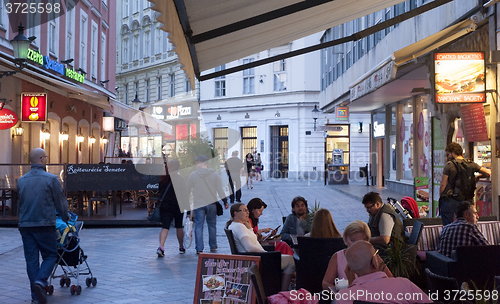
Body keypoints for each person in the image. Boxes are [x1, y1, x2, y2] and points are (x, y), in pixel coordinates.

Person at [18, 148, 69, 304]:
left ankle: (35, 297)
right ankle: (40, 281)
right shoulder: (51, 179)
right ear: (41, 159)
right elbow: (60, 202)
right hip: (45, 224)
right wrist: (65, 218)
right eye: (45, 157)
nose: (46, 159)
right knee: (50, 255)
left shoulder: (21, 180)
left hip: (25, 225)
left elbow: (21, 203)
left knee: (31, 260)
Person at [227, 203, 295, 291]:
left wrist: (249, 228)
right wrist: (267, 254)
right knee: (290, 261)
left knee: (287, 256)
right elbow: (249, 248)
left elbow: (251, 240)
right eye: (244, 210)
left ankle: (280, 288)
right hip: (258, 259)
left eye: (247, 210)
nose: (247, 212)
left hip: (256, 257)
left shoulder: (235, 225)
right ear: (235, 213)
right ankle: (283, 291)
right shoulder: (239, 227)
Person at [336, 241, 430, 304]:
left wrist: (351, 284)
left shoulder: (345, 297)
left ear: (350, 269)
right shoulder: (404, 285)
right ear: (374, 262)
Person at [322, 220, 392, 291]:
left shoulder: (373, 257)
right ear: (345, 238)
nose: (355, 244)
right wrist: (339, 292)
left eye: (360, 241)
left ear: (366, 242)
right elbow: (325, 283)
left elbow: (391, 279)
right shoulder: (338, 257)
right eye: (352, 240)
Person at [439, 142, 490, 226]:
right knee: (468, 225)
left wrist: (442, 198)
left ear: (453, 153)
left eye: (448, 154)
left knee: (448, 225)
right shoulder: (471, 164)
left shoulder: (449, 165)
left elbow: (443, 185)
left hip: (451, 201)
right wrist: (478, 177)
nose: (448, 157)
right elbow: (488, 172)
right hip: (467, 201)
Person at [187, 154, 229, 254]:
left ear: (199, 163)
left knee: (199, 226)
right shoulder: (214, 174)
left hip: (199, 204)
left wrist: (188, 208)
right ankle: (213, 246)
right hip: (211, 204)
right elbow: (220, 189)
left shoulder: (193, 175)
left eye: (197, 162)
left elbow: (187, 191)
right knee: (212, 225)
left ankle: (199, 248)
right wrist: (225, 201)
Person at [157, 159, 189, 257]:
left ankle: (161, 247)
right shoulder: (180, 179)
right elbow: (185, 195)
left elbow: (159, 192)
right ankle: (181, 246)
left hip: (165, 205)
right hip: (178, 206)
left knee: (165, 227)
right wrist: (188, 210)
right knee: (179, 226)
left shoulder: (163, 179)